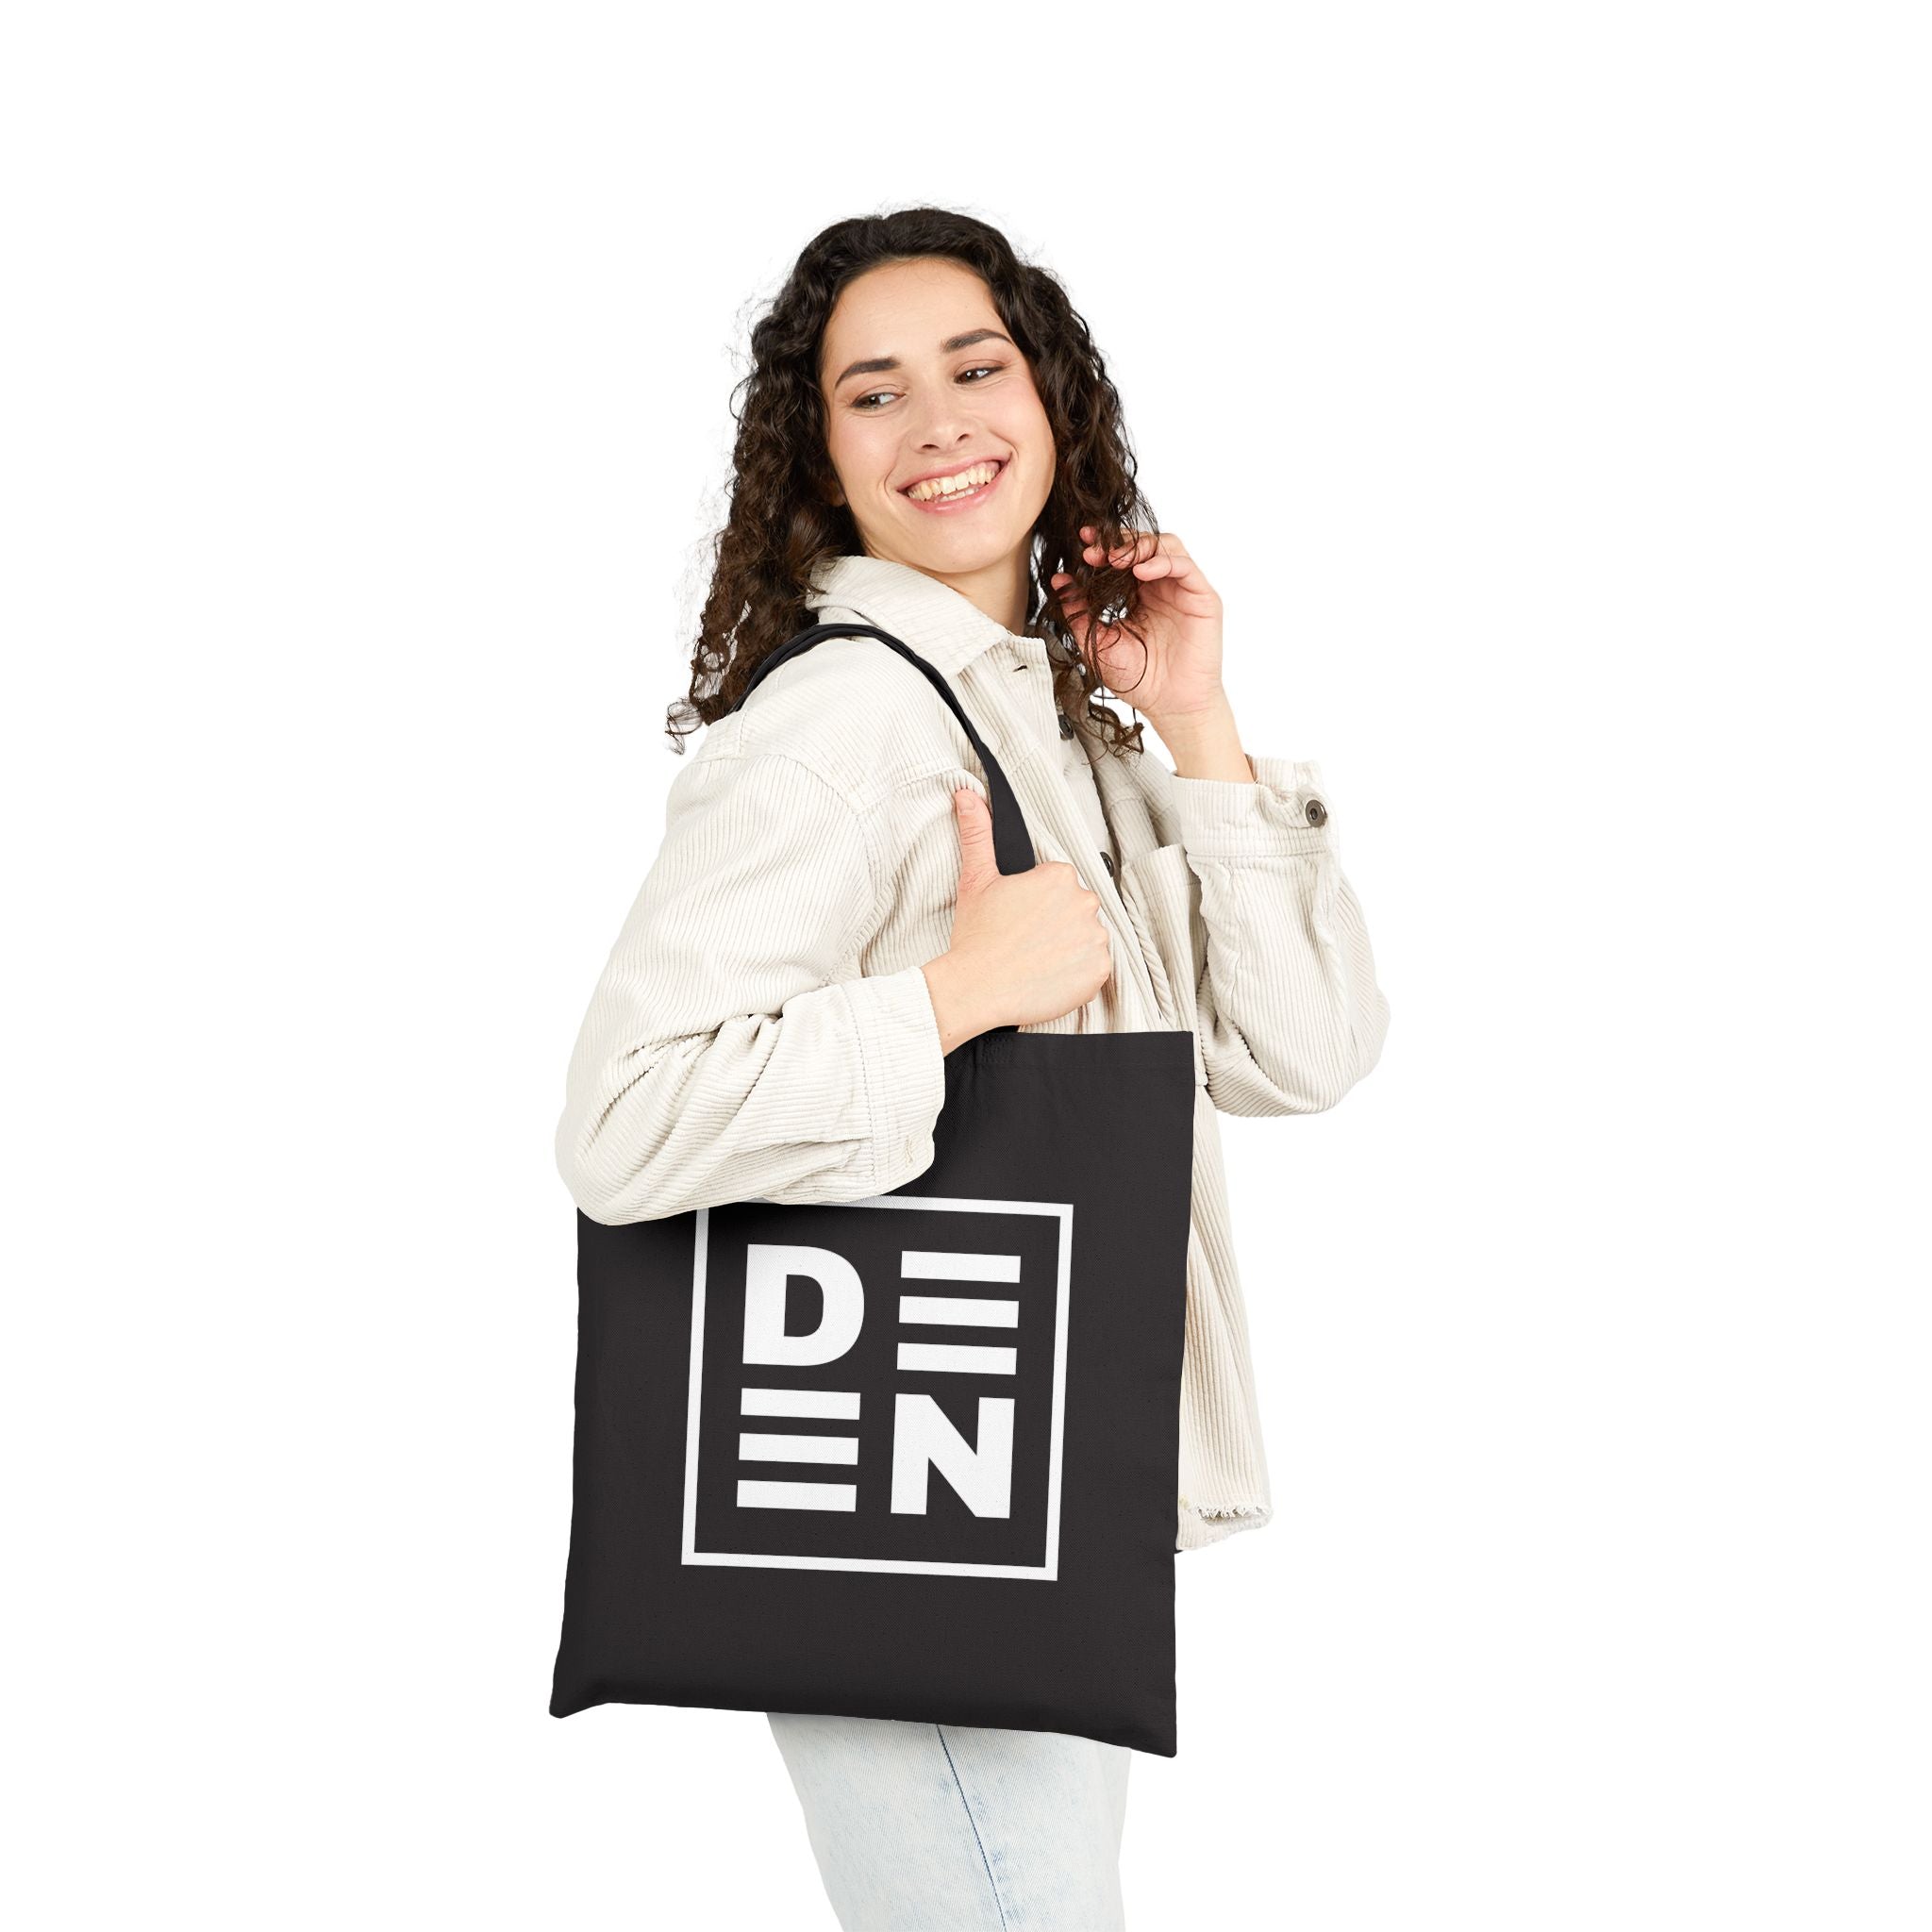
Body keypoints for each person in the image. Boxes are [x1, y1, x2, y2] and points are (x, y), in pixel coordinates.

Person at [554, 206, 1391, 1931]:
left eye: (976, 367)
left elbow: (1300, 1054)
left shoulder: (1046, 721)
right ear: (823, 461)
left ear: (1053, 401)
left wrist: (1199, 724)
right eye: (874, 393)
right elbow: (625, 1121)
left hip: (1019, 1477)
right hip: (910, 1486)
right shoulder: (844, 723)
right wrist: (952, 997)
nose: (937, 422)